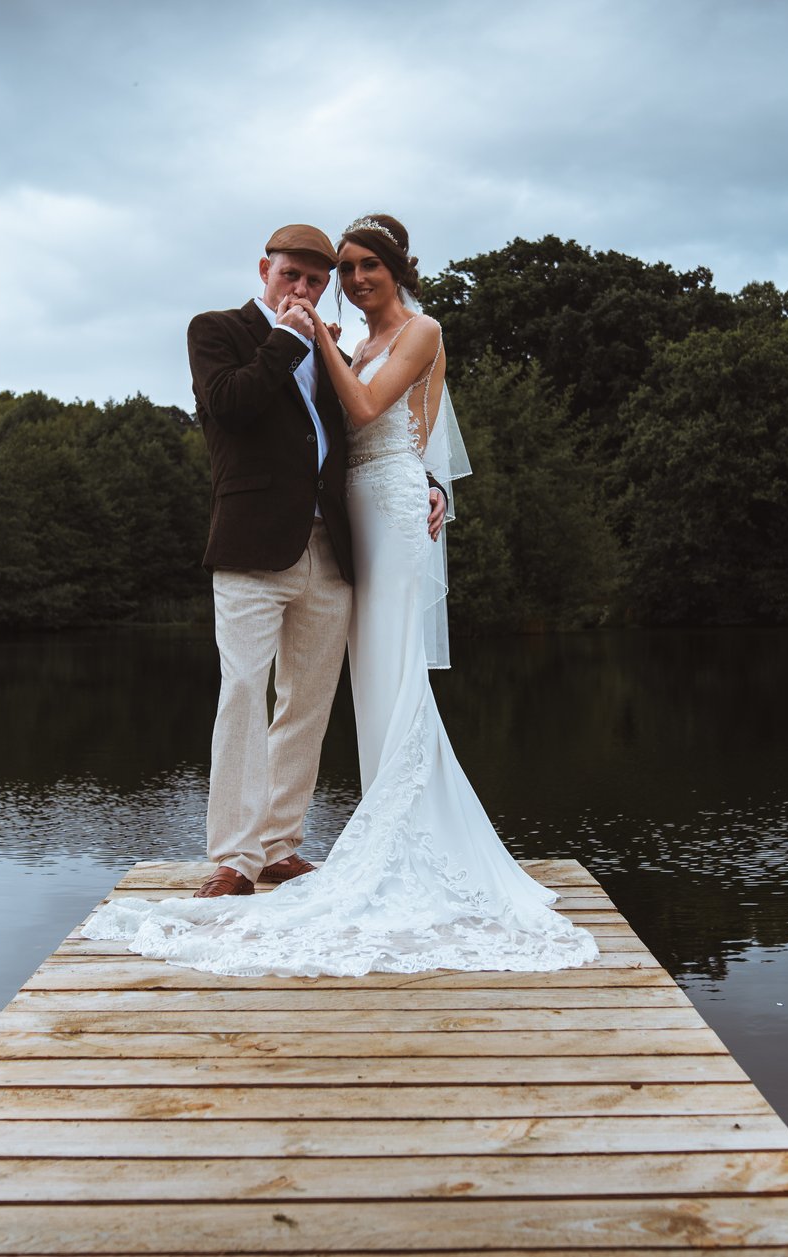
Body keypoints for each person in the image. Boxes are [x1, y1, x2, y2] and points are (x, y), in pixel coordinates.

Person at [83, 215, 597, 977]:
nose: (309, 288)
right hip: (254, 546)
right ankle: (233, 856)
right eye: (295, 274)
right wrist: (296, 335)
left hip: (335, 545)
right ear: (265, 269)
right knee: (243, 692)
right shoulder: (219, 330)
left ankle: (284, 845)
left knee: (311, 700)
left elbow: (383, 423)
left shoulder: (347, 346)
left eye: (318, 280)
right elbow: (231, 406)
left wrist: (426, 482)